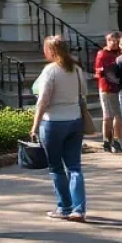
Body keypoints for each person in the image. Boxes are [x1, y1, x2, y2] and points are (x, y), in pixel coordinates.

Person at [29, 34, 88, 223]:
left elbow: (43, 100)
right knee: (74, 167)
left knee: (56, 167)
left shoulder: (50, 71)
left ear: (51, 51)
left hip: (53, 122)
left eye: (45, 49)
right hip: (75, 120)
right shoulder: (77, 70)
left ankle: (64, 207)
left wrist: (35, 125)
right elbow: (84, 93)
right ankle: (79, 209)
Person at [93, 31, 122, 153]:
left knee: (117, 116)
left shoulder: (120, 54)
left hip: (119, 88)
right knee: (109, 116)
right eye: (111, 40)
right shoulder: (102, 54)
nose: (114, 43)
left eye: (116, 41)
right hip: (107, 88)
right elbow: (100, 72)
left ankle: (116, 141)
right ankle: (108, 141)